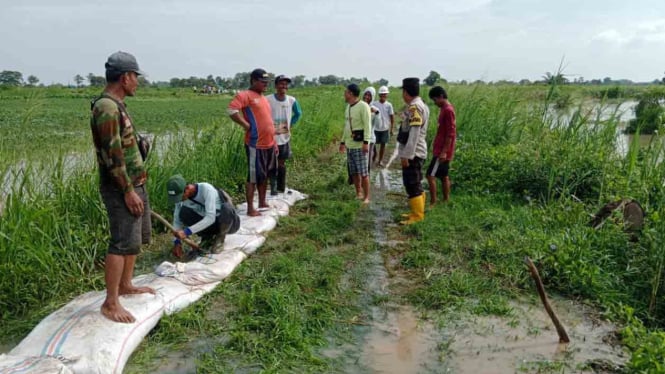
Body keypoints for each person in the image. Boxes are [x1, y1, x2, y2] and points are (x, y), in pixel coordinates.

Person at [90, 51, 154, 323]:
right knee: (120, 242)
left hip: (134, 183)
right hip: (121, 187)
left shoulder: (117, 104)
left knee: (133, 240)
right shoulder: (106, 107)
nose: (137, 83)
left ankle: (126, 285)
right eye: (135, 77)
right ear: (125, 77)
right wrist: (127, 190)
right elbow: (112, 154)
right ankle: (110, 302)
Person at [228, 68, 277, 216]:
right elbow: (232, 111)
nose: (265, 85)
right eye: (262, 82)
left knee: (265, 175)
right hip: (255, 145)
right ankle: (250, 208)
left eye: (267, 82)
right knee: (253, 177)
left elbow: (267, 120)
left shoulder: (264, 98)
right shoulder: (245, 95)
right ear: (253, 81)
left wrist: (274, 142)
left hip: (269, 143)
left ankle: (262, 201)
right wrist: (245, 125)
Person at [166, 175, 240, 259]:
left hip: (228, 223)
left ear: (187, 189)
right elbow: (177, 220)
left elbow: (210, 217)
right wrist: (177, 242)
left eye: (180, 197)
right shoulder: (181, 199)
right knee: (183, 212)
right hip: (209, 226)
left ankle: (220, 238)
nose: (179, 200)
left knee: (226, 208)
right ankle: (207, 237)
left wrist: (186, 232)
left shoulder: (206, 189)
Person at [396, 77, 429, 224]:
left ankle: (417, 216)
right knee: (416, 182)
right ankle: (417, 211)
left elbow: (414, 134)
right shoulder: (421, 105)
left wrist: (407, 155)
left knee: (412, 183)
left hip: (414, 153)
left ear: (406, 92)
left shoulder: (415, 107)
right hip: (417, 151)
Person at [266, 74, 302, 195]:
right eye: (281, 83)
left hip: (284, 137)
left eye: (286, 84)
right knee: (271, 163)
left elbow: (298, 113)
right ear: (276, 85)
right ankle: (273, 188)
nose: (284, 86)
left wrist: (291, 124)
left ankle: (281, 187)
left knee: (281, 162)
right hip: (270, 137)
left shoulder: (291, 100)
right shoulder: (268, 99)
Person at [339, 83, 371, 203]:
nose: (344, 95)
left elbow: (367, 125)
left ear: (351, 94)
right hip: (350, 145)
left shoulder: (363, 106)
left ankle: (367, 197)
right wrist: (342, 142)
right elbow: (347, 127)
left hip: (360, 145)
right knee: (354, 172)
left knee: (363, 173)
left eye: (346, 92)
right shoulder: (348, 107)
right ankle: (358, 192)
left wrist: (366, 142)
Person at [427, 86, 456, 206]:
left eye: (435, 100)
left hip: (442, 151)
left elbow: (451, 133)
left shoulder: (448, 110)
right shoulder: (445, 109)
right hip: (442, 148)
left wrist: (444, 152)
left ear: (441, 96)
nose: (435, 103)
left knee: (430, 175)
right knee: (444, 176)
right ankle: (446, 200)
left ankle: (433, 202)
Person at [373, 85, 395, 167]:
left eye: (385, 94)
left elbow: (392, 117)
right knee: (373, 143)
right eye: (382, 94)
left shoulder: (389, 105)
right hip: (375, 128)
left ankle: (380, 161)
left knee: (383, 145)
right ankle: (374, 154)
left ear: (387, 95)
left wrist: (391, 128)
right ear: (379, 95)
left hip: (385, 128)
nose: (383, 96)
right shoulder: (374, 104)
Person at [362, 86, 381, 171]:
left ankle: (366, 181)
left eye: (369, 95)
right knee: (360, 162)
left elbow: (378, 125)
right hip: (359, 138)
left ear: (372, 97)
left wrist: (376, 113)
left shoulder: (375, 110)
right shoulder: (360, 106)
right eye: (365, 94)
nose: (366, 97)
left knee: (367, 163)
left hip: (370, 139)